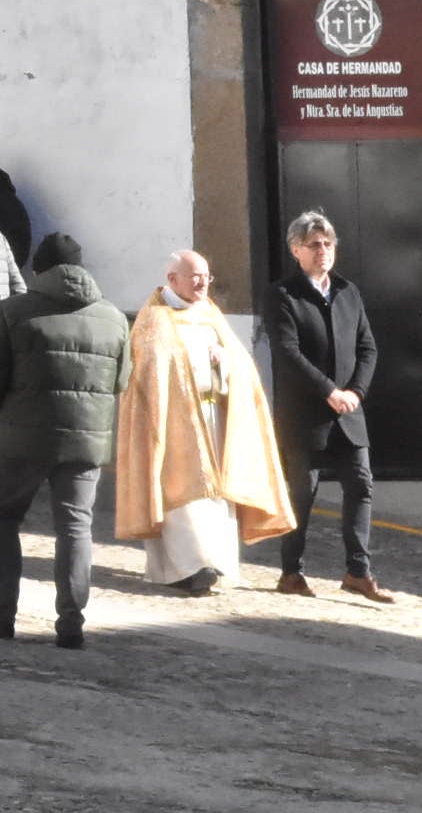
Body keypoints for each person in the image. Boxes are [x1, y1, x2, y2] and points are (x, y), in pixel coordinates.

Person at [115, 249, 293, 594]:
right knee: (184, 497)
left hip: (215, 417)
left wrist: (223, 364)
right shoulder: (154, 320)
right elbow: (147, 375)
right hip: (171, 423)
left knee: (216, 497)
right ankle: (187, 568)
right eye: (195, 276)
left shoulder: (210, 313)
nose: (203, 283)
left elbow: (241, 366)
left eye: (207, 276)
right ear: (172, 279)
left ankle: (215, 562)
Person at [0, 233, 130, 649]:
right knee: (76, 528)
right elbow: (121, 382)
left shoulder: (11, 313)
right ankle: (71, 624)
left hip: (19, 439)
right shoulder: (112, 317)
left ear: (38, 270)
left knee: (4, 520)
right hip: (85, 442)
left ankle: (3, 618)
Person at [260, 210, 388, 603]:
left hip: (349, 412)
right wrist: (328, 390)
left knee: (361, 485)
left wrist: (357, 392)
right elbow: (287, 353)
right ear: (296, 250)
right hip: (305, 414)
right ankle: (291, 571)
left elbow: (367, 347)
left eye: (328, 244)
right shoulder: (283, 295)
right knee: (302, 491)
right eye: (314, 245)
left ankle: (358, 572)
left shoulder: (348, 292)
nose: (323, 251)